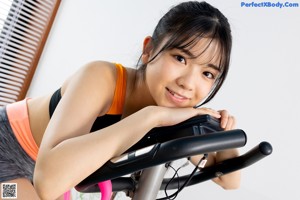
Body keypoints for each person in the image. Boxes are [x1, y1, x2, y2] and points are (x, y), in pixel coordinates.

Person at [0, 1, 240, 199]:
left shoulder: (178, 112)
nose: (188, 83)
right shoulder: (102, 79)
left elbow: (228, 180)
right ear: (149, 50)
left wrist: (225, 133)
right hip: (6, 161)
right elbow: (48, 184)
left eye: (207, 74)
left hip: (44, 176)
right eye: (180, 58)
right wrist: (150, 117)